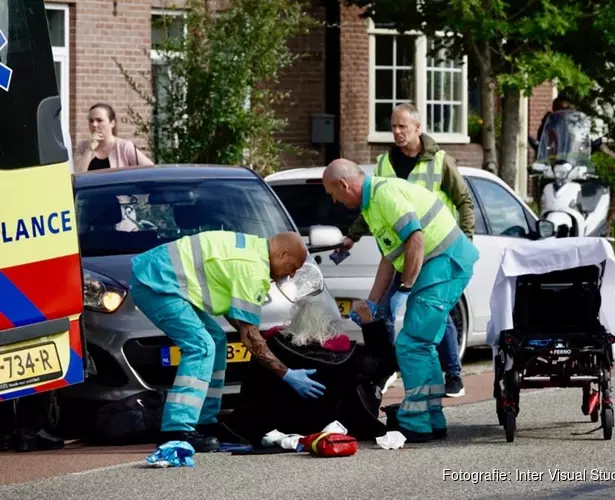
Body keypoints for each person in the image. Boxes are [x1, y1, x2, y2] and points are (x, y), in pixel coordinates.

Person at [322, 159, 479, 443]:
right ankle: (431, 420)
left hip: (444, 263)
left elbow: (415, 239)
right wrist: (371, 302)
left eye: (334, 194)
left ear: (344, 185)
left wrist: (406, 286)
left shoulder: (383, 195)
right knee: (423, 344)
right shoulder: (372, 204)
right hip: (442, 264)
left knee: (412, 343)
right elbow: (390, 257)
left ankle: (415, 423)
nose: (335, 200)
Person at [128, 230, 326, 452]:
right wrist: (285, 373)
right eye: (293, 267)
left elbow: (240, 321)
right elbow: (250, 336)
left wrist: (256, 337)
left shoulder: (253, 251)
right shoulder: (252, 269)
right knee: (201, 346)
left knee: (216, 339)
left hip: (160, 278)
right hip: (156, 284)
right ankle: (176, 430)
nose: (290, 274)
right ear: (282, 253)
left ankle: (205, 422)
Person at [342, 103, 475, 398]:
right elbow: (373, 206)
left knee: (437, 316)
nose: (397, 132)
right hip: (402, 253)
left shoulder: (440, 161)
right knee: (386, 311)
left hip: (437, 253)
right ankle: (387, 368)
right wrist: (352, 235)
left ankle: (453, 374)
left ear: (418, 128)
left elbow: (464, 201)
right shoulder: (384, 164)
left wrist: (466, 239)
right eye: (393, 127)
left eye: (403, 127)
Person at [74, 103, 153, 173]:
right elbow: (75, 175)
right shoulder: (83, 146)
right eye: (91, 120)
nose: (94, 124)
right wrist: (89, 150)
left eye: (99, 120)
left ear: (112, 123)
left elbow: (150, 169)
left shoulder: (124, 147)